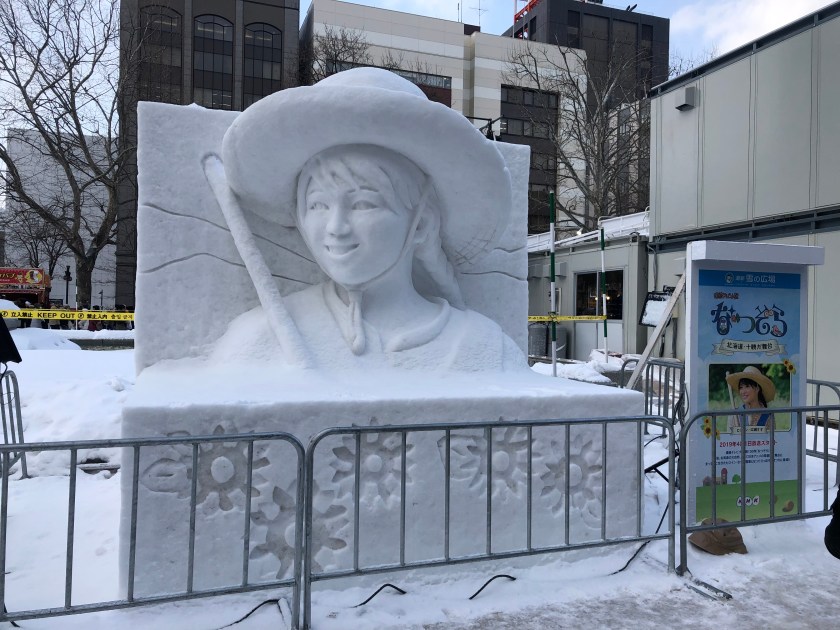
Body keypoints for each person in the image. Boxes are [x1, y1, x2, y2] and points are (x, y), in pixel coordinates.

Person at [209, 67, 524, 372]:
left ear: (422, 224)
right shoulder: (260, 340)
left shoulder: (486, 349)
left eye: (363, 204)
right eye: (318, 205)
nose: (336, 228)